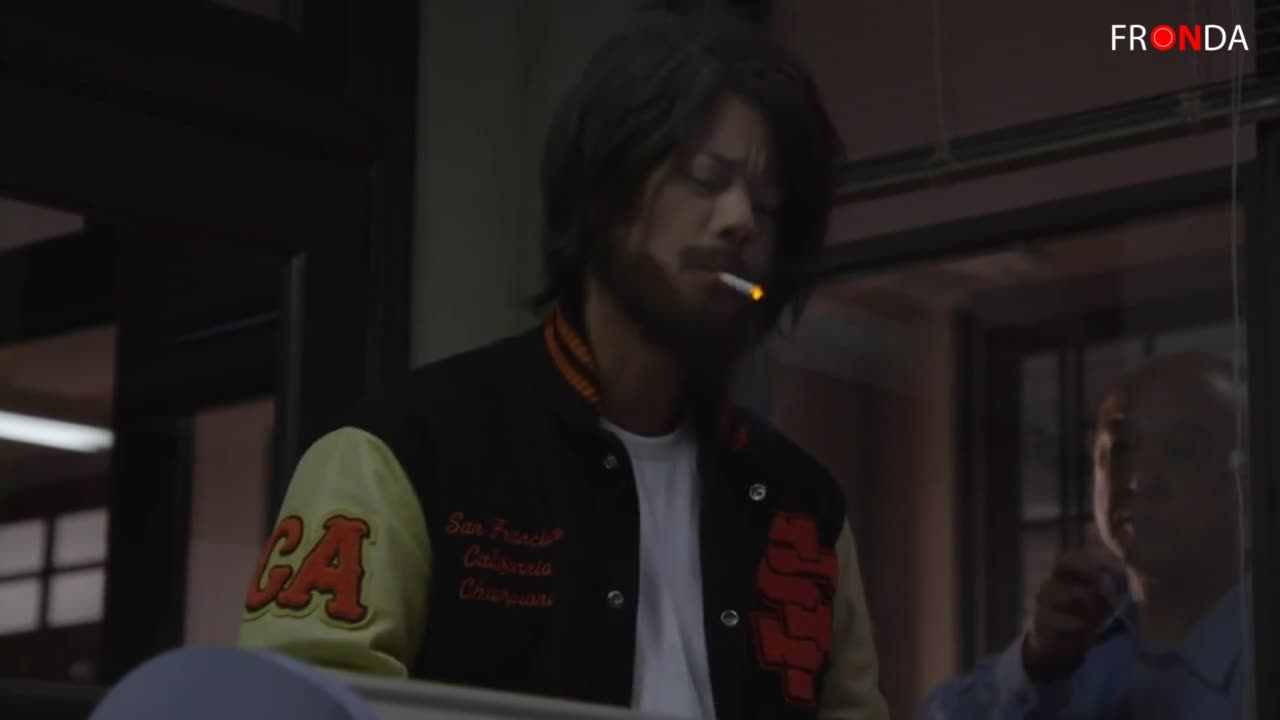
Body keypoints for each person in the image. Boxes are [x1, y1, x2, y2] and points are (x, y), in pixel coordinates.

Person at [239, 13, 889, 720]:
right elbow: (293, 705)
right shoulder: (403, 452)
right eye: (705, 178)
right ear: (603, 193)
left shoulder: (803, 503)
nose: (741, 222)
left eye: (767, 204)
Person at [918, 352, 1252, 719]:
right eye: (1121, 449)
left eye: (1182, 452)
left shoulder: (1258, 654)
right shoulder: (1068, 650)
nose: (1140, 480)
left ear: (1249, 480)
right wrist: (1034, 664)